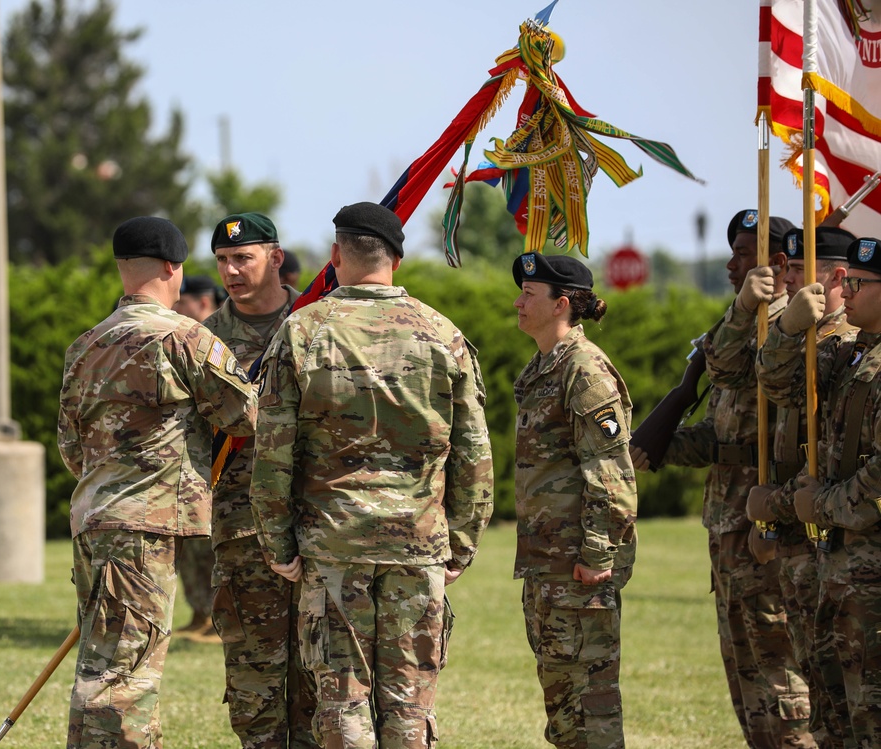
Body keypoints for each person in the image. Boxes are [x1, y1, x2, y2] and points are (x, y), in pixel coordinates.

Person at [250, 201, 494, 749]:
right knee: (410, 704)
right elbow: (474, 455)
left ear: (336, 257)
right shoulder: (443, 335)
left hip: (333, 546)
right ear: (397, 261)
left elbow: (273, 453)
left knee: (342, 707)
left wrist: (277, 541)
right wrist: (460, 543)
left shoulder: (301, 332)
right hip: (418, 544)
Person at [57, 216, 257, 748]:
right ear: (173, 267)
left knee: (103, 665)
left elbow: (70, 444)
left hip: (96, 520)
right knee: (126, 676)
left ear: (123, 269)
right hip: (143, 528)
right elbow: (245, 417)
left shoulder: (86, 344)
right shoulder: (184, 337)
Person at [631, 210, 814, 748]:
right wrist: (655, 447)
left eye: (743, 256)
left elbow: (735, 372)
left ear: (779, 265)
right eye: (732, 254)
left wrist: (742, 312)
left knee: (781, 678)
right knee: (746, 679)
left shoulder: (792, 330)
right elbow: (723, 433)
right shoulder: (742, 322)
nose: (732, 265)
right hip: (729, 523)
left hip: (769, 527)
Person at [757, 234, 881, 748]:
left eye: (859, 282)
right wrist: (787, 327)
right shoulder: (853, 354)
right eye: (846, 279)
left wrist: (820, 506)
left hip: (871, 574)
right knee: (835, 721)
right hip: (841, 571)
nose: (845, 289)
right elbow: (779, 384)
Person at [511, 252, 637, 749]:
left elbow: (612, 474)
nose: (518, 302)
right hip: (549, 564)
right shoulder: (546, 365)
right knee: (565, 708)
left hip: (580, 569)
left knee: (591, 706)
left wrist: (597, 556)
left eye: (529, 294)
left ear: (562, 304)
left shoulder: (584, 371)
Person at [206, 211, 315, 748]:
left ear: (274, 257)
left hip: (315, 523)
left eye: (243, 258)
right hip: (241, 529)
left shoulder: (318, 320)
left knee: (321, 672)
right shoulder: (204, 341)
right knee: (254, 673)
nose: (232, 271)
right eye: (223, 261)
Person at [171, 273, 228, 643]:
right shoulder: (178, 337)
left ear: (202, 302)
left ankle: (214, 616)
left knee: (210, 549)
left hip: (218, 463)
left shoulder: (212, 340)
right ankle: (198, 612)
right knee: (190, 551)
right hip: (189, 466)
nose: (176, 307)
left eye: (182, 301)